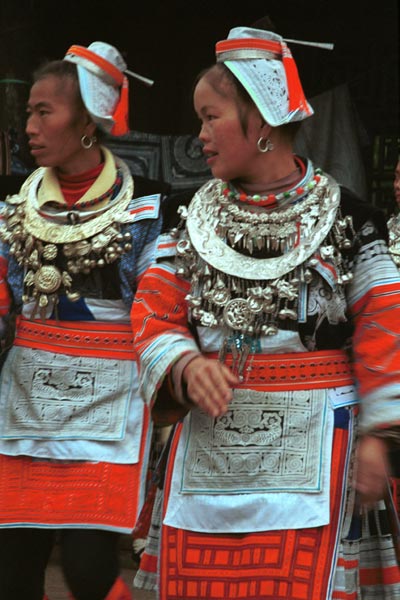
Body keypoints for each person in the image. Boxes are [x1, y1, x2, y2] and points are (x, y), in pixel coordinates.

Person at [131, 25, 400, 600]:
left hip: (320, 450)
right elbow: (153, 311)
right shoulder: (186, 220)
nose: (199, 135)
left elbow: (385, 325)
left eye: (211, 117)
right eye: (200, 119)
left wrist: (379, 435)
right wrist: (184, 364)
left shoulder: (351, 220)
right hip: (210, 450)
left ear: (263, 122)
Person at [0, 41, 165, 600]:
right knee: (13, 569)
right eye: (29, 112)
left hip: (107, 407)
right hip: (25, 405)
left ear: (88, 120)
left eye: (44, 111)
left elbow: (158, 306)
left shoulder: (145, 211)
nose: (30, 124)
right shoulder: (12, 209)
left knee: (89, 569)